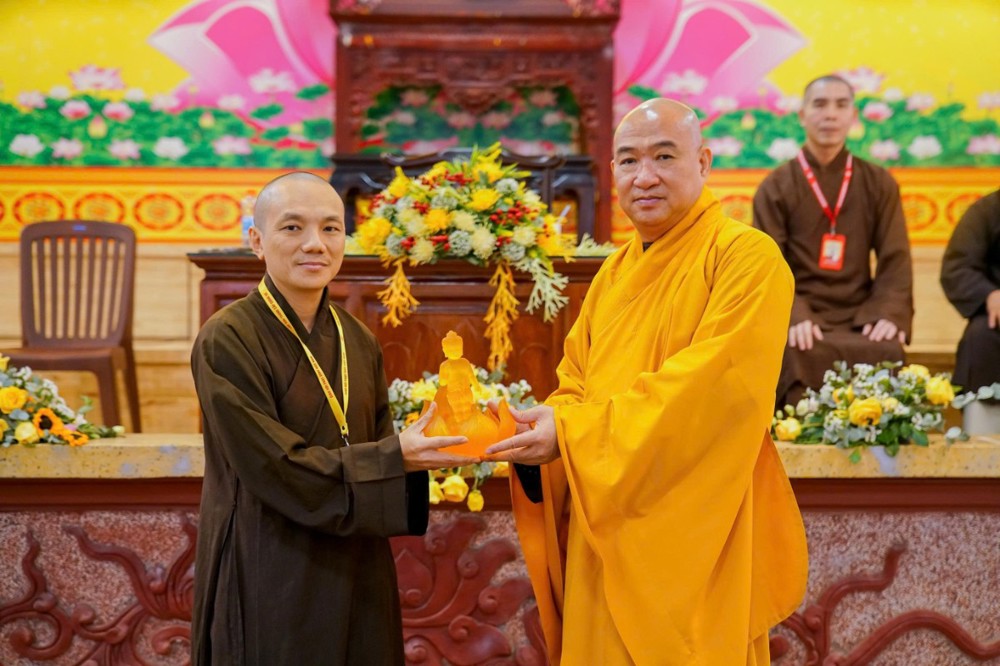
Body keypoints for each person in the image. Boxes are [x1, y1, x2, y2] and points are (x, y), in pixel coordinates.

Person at [485, 99, 808, 665]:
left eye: (664, 156)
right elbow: (576, 381)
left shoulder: (746, 258)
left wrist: (573, 432)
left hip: (698, 528)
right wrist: (548, 426)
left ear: (703, 162)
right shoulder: (614, 271)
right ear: (613, 172)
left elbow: (715, 389)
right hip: (606, 522)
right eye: (629, 161)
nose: (645, 176)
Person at [189, 172, 476, 665]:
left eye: (330, 229)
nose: (314, 244)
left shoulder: (356, 338)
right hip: (270, 561)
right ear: (256, 241)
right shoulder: (228, 338)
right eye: (292, 228)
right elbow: (271, 465)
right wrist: (394, 457)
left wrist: (412, 455)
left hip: (356, 561)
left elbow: (381, 445)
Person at [753, 74, 914, 408]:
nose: (830, 114)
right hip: (803, 312)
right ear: (802, 115)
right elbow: (768, 264)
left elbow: (895, 256)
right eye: (820, 104)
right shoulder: (776, 186)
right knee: (795, 349)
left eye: (841, 105)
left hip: (860, 314)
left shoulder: (878, 182)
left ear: (853, 117)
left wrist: (888, 312)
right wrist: (793, 314)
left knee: (888, 349)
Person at [940, 189, 1000, 432]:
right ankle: (984, 440)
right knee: (981, 337)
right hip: (998, 319)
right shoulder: (987, 210)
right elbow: (958, 267)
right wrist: (990, 294)